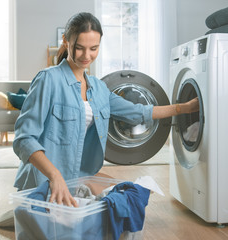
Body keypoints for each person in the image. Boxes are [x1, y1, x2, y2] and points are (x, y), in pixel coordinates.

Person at [12, 12, 199, 208]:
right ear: (66, 41)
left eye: (93, 48)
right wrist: (54, 175)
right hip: (45, 180)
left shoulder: (99, 89)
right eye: (79, 48)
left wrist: (184, 108)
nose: (86, 56)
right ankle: (26, 213)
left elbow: (138, 112)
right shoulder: (48, 80)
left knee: (130, 196)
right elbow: (24, 139)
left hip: (78, 177)